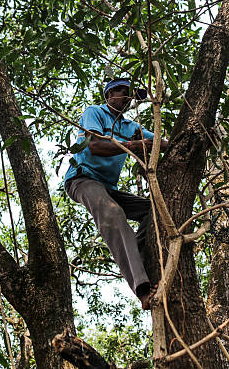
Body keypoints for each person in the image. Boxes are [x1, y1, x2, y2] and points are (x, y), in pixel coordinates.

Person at [64, 78, 168, 310]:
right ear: (110, 93)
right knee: (113, 216)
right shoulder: (95, 112)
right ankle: (141, 288)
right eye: (124, 92)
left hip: (107, 187)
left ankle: (140, 258)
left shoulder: (130, 127)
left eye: (132, 95)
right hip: (82, 179)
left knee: (152, 210)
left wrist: (190, 139)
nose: (129, 98)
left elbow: (161, 142)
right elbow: (95, 146)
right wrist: (135, 145)